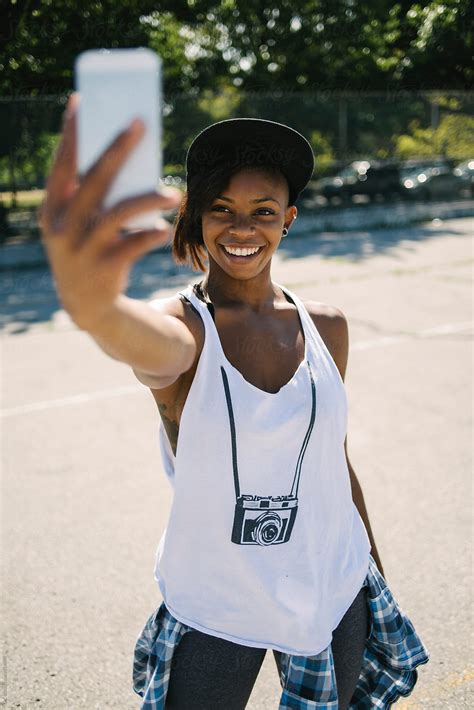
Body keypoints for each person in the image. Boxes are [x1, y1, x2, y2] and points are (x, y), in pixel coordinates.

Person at [40, 94, 429, 709]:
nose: (242, 228)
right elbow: (132, 335)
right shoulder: (185, 330)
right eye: (222, 209)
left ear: (289, 219)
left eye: (263, 211)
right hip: (218, 601)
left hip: (334, 586)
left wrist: (373, 570)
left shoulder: (327, 327)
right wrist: (91, 301)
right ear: (196, 216)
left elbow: (337, 462)